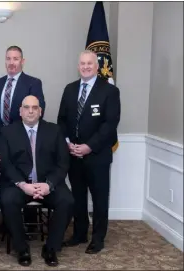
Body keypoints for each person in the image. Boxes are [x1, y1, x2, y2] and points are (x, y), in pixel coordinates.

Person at [57, 50, 121, 254]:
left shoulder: (109, 91)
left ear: (96, 66)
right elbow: (62, 120)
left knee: (99, 197)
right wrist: (68, 143)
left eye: (89, 63)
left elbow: (109, 125)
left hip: (97, 155)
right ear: (78, 66)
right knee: (78, 196)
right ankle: (79, 234)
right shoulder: (69, 89)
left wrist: (89, 146)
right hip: (73, 154)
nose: (85, 67)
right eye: (82, 63)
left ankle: (98, 238)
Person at [0, 95, 74, 267]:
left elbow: (63, 163)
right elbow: (5, 163)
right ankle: (22, 248)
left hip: (47, 184)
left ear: (40, 111)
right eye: (26, 107)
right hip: (20, 184)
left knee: (67, 201)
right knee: (8, 201)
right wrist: (23, 185)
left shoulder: (54, 131)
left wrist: (49, 184)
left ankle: (51, 248)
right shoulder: (7, 132)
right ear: (20, 111)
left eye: (34, 108)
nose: (30, 111)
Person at [0, 45, 45, 233]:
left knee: (26, 174)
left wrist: (13, 131)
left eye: (16, 59)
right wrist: (0, 133)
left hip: (24, 140)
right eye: (8, 59)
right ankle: (7, 222)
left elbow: (35, 111)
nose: (12, 62)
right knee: (7, 176)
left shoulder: (33, 83)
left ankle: (29, 222)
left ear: (22, 61)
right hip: (2, 139)